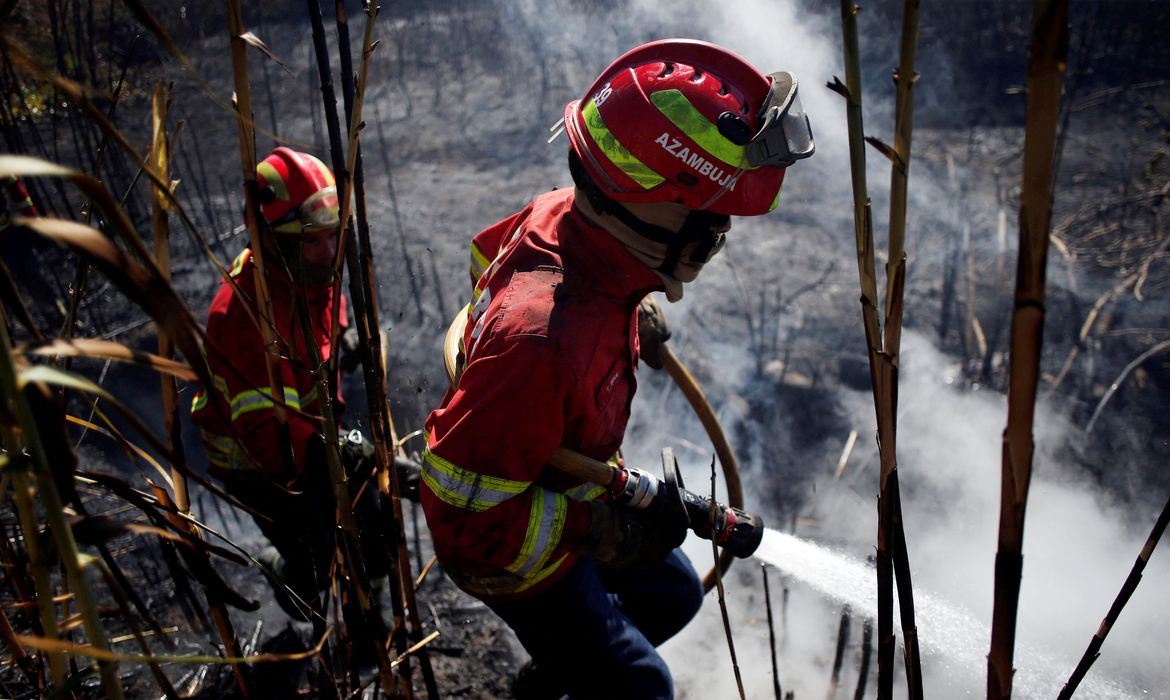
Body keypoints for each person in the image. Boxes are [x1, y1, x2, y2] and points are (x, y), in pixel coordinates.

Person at [420, 39, 814, 699]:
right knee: (640, 685)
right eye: (712, 229)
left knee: (675, 595)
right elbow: (462, 512)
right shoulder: (540, 342)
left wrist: (628, 315)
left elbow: (493, 273)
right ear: (654, 208)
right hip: (511, 549)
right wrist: (596, 531)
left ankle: (557, 684)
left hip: (558, 473)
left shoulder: (572, 222)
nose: (719, 240)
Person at [189, 147, 398, 629]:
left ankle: (370, 624)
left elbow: (325, 330)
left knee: (374, 528)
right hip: (261, 469)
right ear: (273, 243)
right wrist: (341, 451)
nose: (330, 253)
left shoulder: (311, 276)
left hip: (316, 439)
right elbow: (266, 431)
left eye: (333, 237)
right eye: (313, 242)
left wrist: (347, 345)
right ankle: (287, 575)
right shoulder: (242, 316)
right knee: (317, 561)